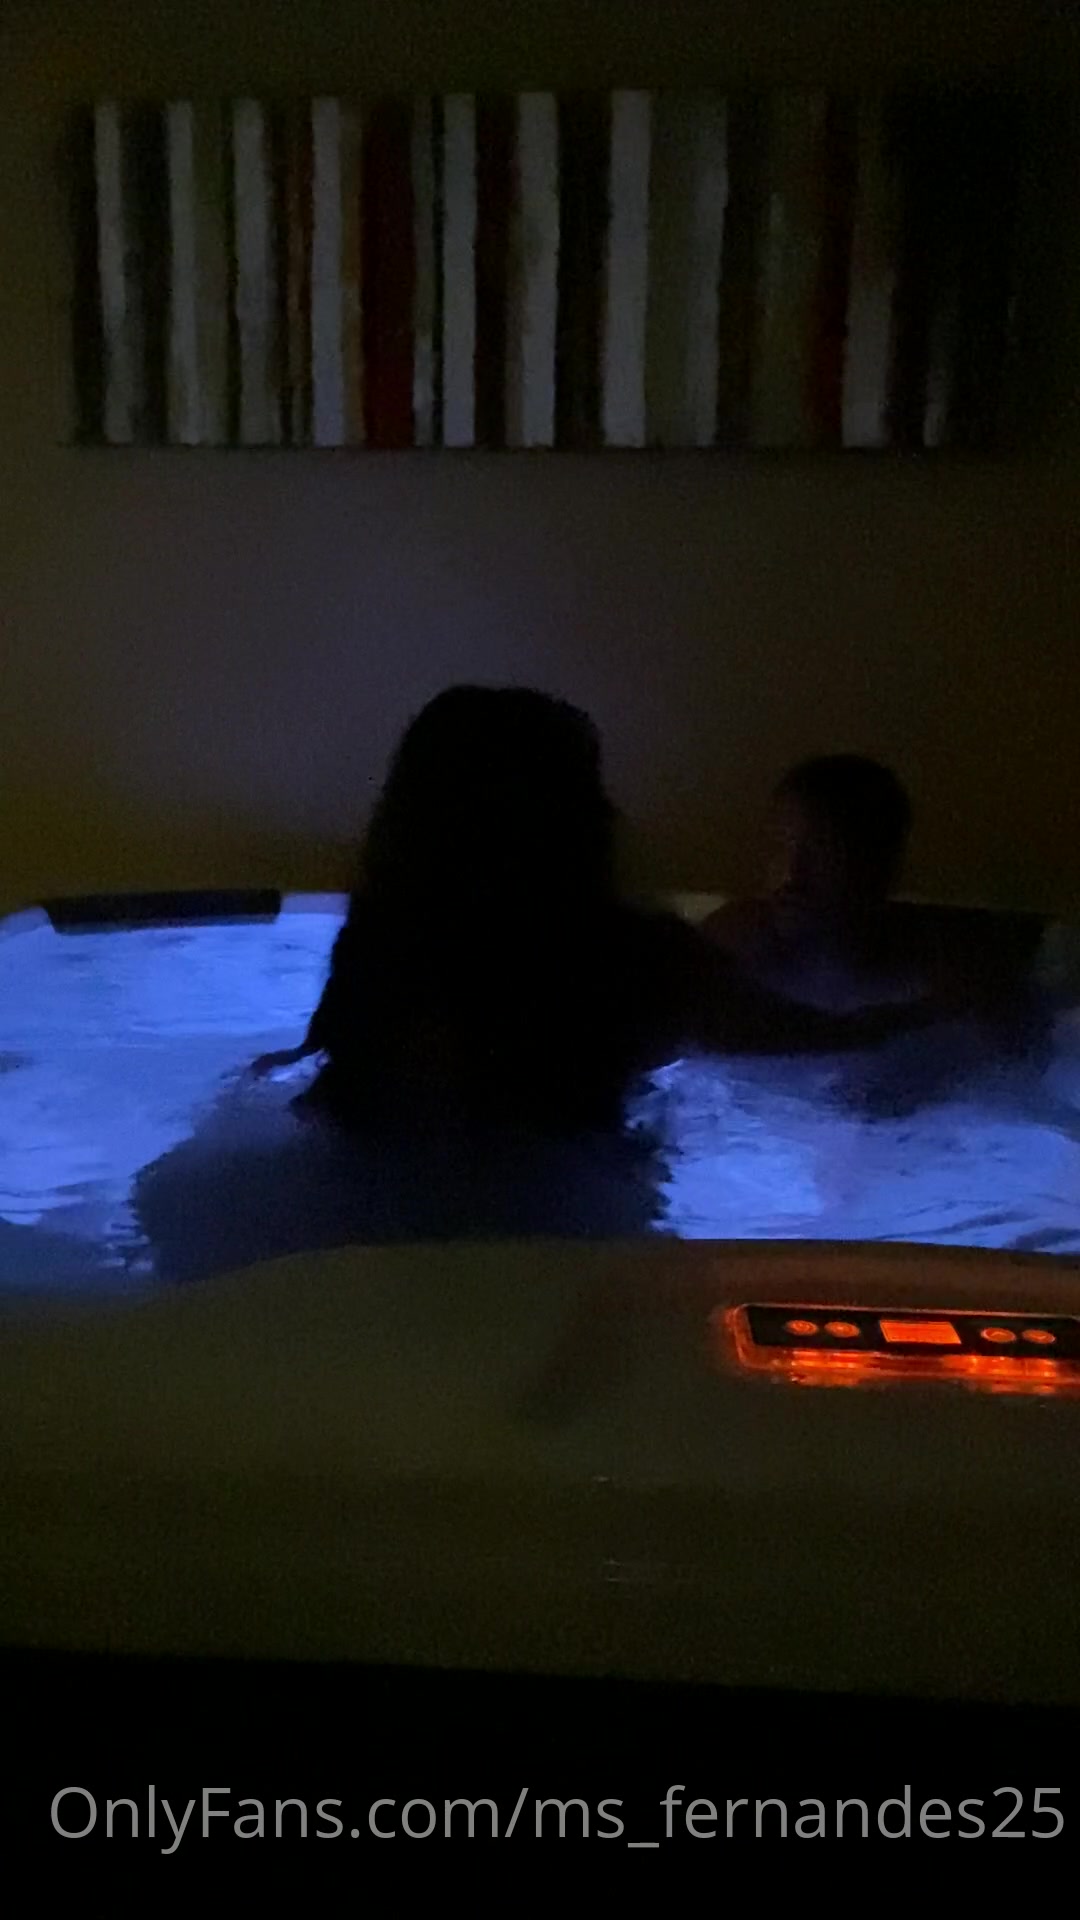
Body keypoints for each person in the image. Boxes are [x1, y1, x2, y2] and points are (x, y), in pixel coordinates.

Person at [253, 695, 945, 1141]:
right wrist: (936, 1019)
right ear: (577, 821)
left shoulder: (383, 950)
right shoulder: (640, 963)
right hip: (570, 1235)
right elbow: (827, 1036)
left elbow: (335, 1106)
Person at [704, 754, 917, 1012]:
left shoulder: (922, 978)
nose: (792, 874)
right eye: (780, 847)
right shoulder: (728, 949)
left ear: (879, 864)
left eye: (821, 850)